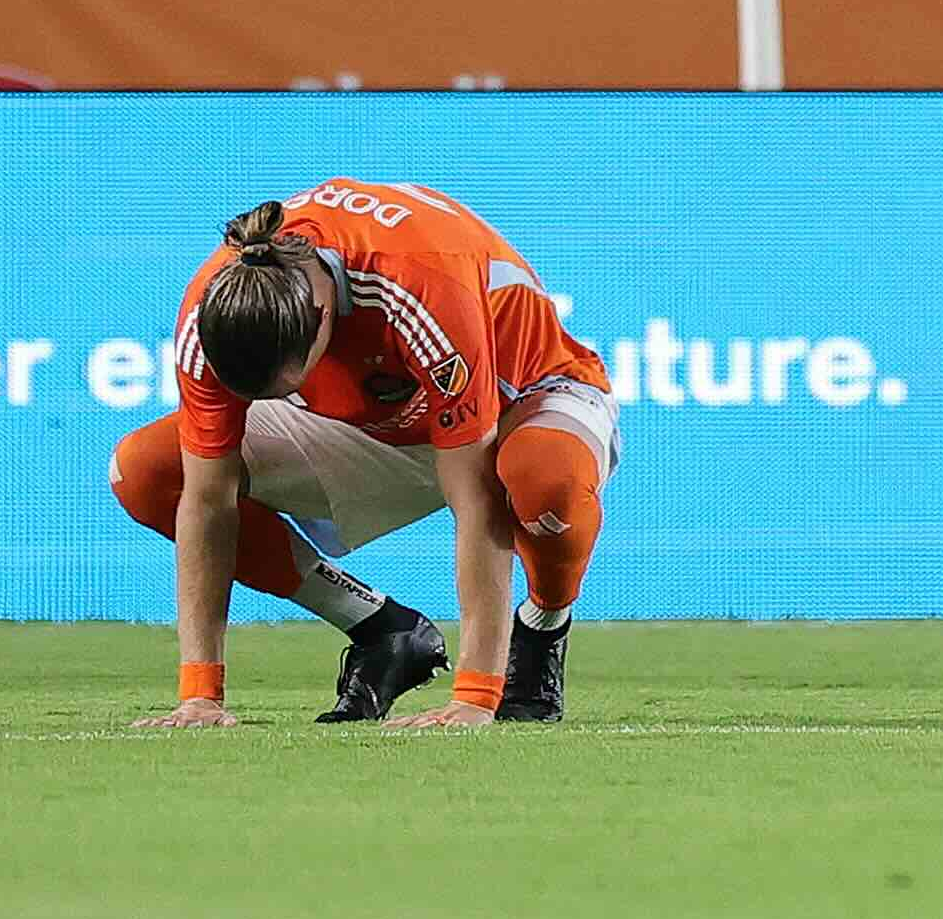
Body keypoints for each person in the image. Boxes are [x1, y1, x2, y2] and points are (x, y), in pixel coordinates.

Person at [111, 180, 619, 728]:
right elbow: (208, 502)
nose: (271, 405)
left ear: (322, 315)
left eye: (284, 389)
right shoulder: (213, 312)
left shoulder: (418, 282)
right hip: (380, 421)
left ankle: (542, 631)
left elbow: (476, 500)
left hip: (522, 397)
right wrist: (200, 696)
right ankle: (384, 631)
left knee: (543, 475)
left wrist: (474, 696)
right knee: (149, 471)